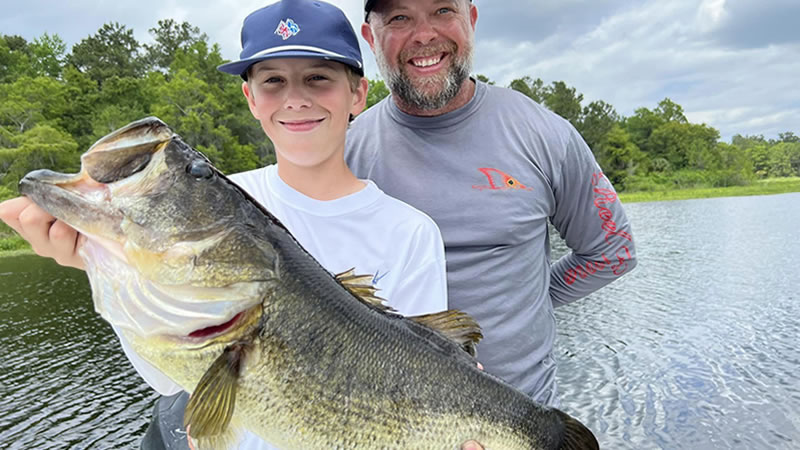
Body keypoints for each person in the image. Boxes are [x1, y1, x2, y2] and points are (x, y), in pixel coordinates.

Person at [1, 1, 461, 448]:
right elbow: (167, 378)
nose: (295, 99)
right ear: (250, 98)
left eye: (318, 78)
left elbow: (426, 371)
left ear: (357, 94)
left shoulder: (409, 231)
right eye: (273, 81)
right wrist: (104, 262)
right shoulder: (225, 198)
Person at [346, 0, 638, 413]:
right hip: (388, 420)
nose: (424, 34)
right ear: (370, 37)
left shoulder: (544, 135)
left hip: (525, 421)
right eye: (399, 17)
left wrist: (535, 299)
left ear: (472, 19)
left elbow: (613, 252)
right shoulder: (343, 154)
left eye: (443, 10)